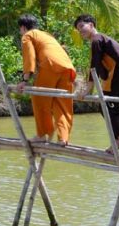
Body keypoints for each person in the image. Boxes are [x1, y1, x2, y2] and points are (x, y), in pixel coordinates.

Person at [74, 13, 119, 152]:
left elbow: (94, 66)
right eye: (78, 30)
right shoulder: (102, 39)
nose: (80, 31)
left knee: (105, 105)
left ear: (91, 25)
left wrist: (86, 90)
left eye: (82, 26)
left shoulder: (96, 39)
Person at [15, 15, 77, 144]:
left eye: (20, 29)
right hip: (67, 67)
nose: (20, 32)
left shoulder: (27, 35)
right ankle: (63, 138)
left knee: (39, 99)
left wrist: (24, 80)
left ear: (23, 27)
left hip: (50, 66)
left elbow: (29, 58)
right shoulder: (46, 35)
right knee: (63, 104)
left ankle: (42, 134)